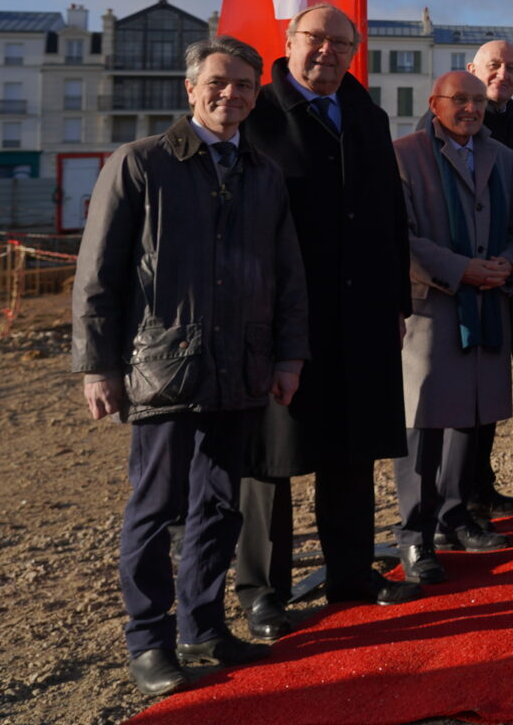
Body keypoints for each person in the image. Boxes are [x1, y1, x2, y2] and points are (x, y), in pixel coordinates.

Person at [71, 36, 308, 696]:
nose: (230, 94)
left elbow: (288, 276)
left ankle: (202, 627)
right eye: (218, 81)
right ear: (191, 88)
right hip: (161, 371)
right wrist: (98, 367)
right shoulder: (140, 163)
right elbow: (98, 275)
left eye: (243, 85)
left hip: (241, 368)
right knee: (155, 507)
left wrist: (288, 356)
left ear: (257, 94)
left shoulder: (264, 174)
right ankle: (149, 640)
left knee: (217, 505)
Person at [237, 4, 420, 635]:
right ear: (287, 43)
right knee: (270, 458)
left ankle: (350, 572)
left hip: (362, 313)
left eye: (342, 44)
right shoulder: (254, 115)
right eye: (315, 39)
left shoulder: (366, 115)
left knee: (353, 447)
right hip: (280, 314)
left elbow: (391, 217)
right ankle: (263, 589)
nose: (328, 53)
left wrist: (397, 300)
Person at [391, 72, 513, 583]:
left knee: (470, 419)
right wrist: (459, 268)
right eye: (459, 100)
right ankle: (414, 535)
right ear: (435, 104)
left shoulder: (505, 158)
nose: (471, 108)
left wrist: (509, 265)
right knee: (422, 424)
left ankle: (454, 516)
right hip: (432, 307)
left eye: (477, 100)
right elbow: (398, 237)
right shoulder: (403, 154)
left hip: (488, 301)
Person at [463, 39, 513, 526]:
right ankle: (462, 499)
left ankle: (481, 489)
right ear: (473, 69)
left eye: (511, 68)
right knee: (460, 396)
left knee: (490, 392)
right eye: (494, 66)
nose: (502, 74)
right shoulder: (461, 122)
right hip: (464, 279)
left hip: (507, 277)